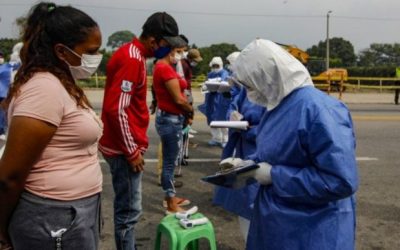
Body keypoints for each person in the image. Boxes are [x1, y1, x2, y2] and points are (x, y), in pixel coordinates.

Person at [227, 39, 359, 249]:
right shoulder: (277, 106)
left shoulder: (319, 111)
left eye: (250, 84)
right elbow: (278, 153)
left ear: (266, 76)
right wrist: (247, 165)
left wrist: (274, 176)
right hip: (279, 223)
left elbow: (340, 181)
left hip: (312, 229)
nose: (249, 92)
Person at [0, 2, 103, 249]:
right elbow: (9, 176)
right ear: (61, 51)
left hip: (72, 213)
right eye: (90, 52)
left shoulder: (62, 82)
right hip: (52, 217)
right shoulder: (44, 89)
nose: (96, 59)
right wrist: (1, 232)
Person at [99, 11, 187, 249]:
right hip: (122, 148)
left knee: (128, 210)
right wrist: (131, 151)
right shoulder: (132, 59)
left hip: (123, 143)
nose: (169, 50)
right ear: (153, 40)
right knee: (129, 212)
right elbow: (116, 110)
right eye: (167, 45)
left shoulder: (135, 55)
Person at [152, 39, 194, 214]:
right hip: (170, 119)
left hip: (171, 118)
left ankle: (170, 196)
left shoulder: (166, 67)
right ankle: (170, 203)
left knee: (171, 160)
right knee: (169, 163)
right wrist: (190, 111)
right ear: (171, 50)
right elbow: (178, 99)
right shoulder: (164, 69)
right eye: (180, 51)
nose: (182, 54)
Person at [199, 56, 231, 147]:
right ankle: (216, 138)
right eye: (214, 65)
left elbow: (223, 83)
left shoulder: (225, 73)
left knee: (223, 118)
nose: (215, 68)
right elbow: (207, 82)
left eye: (217, 65)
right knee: (212, 118)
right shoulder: (210, 74)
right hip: (211, 99)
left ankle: (225, 139)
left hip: (221, 99)